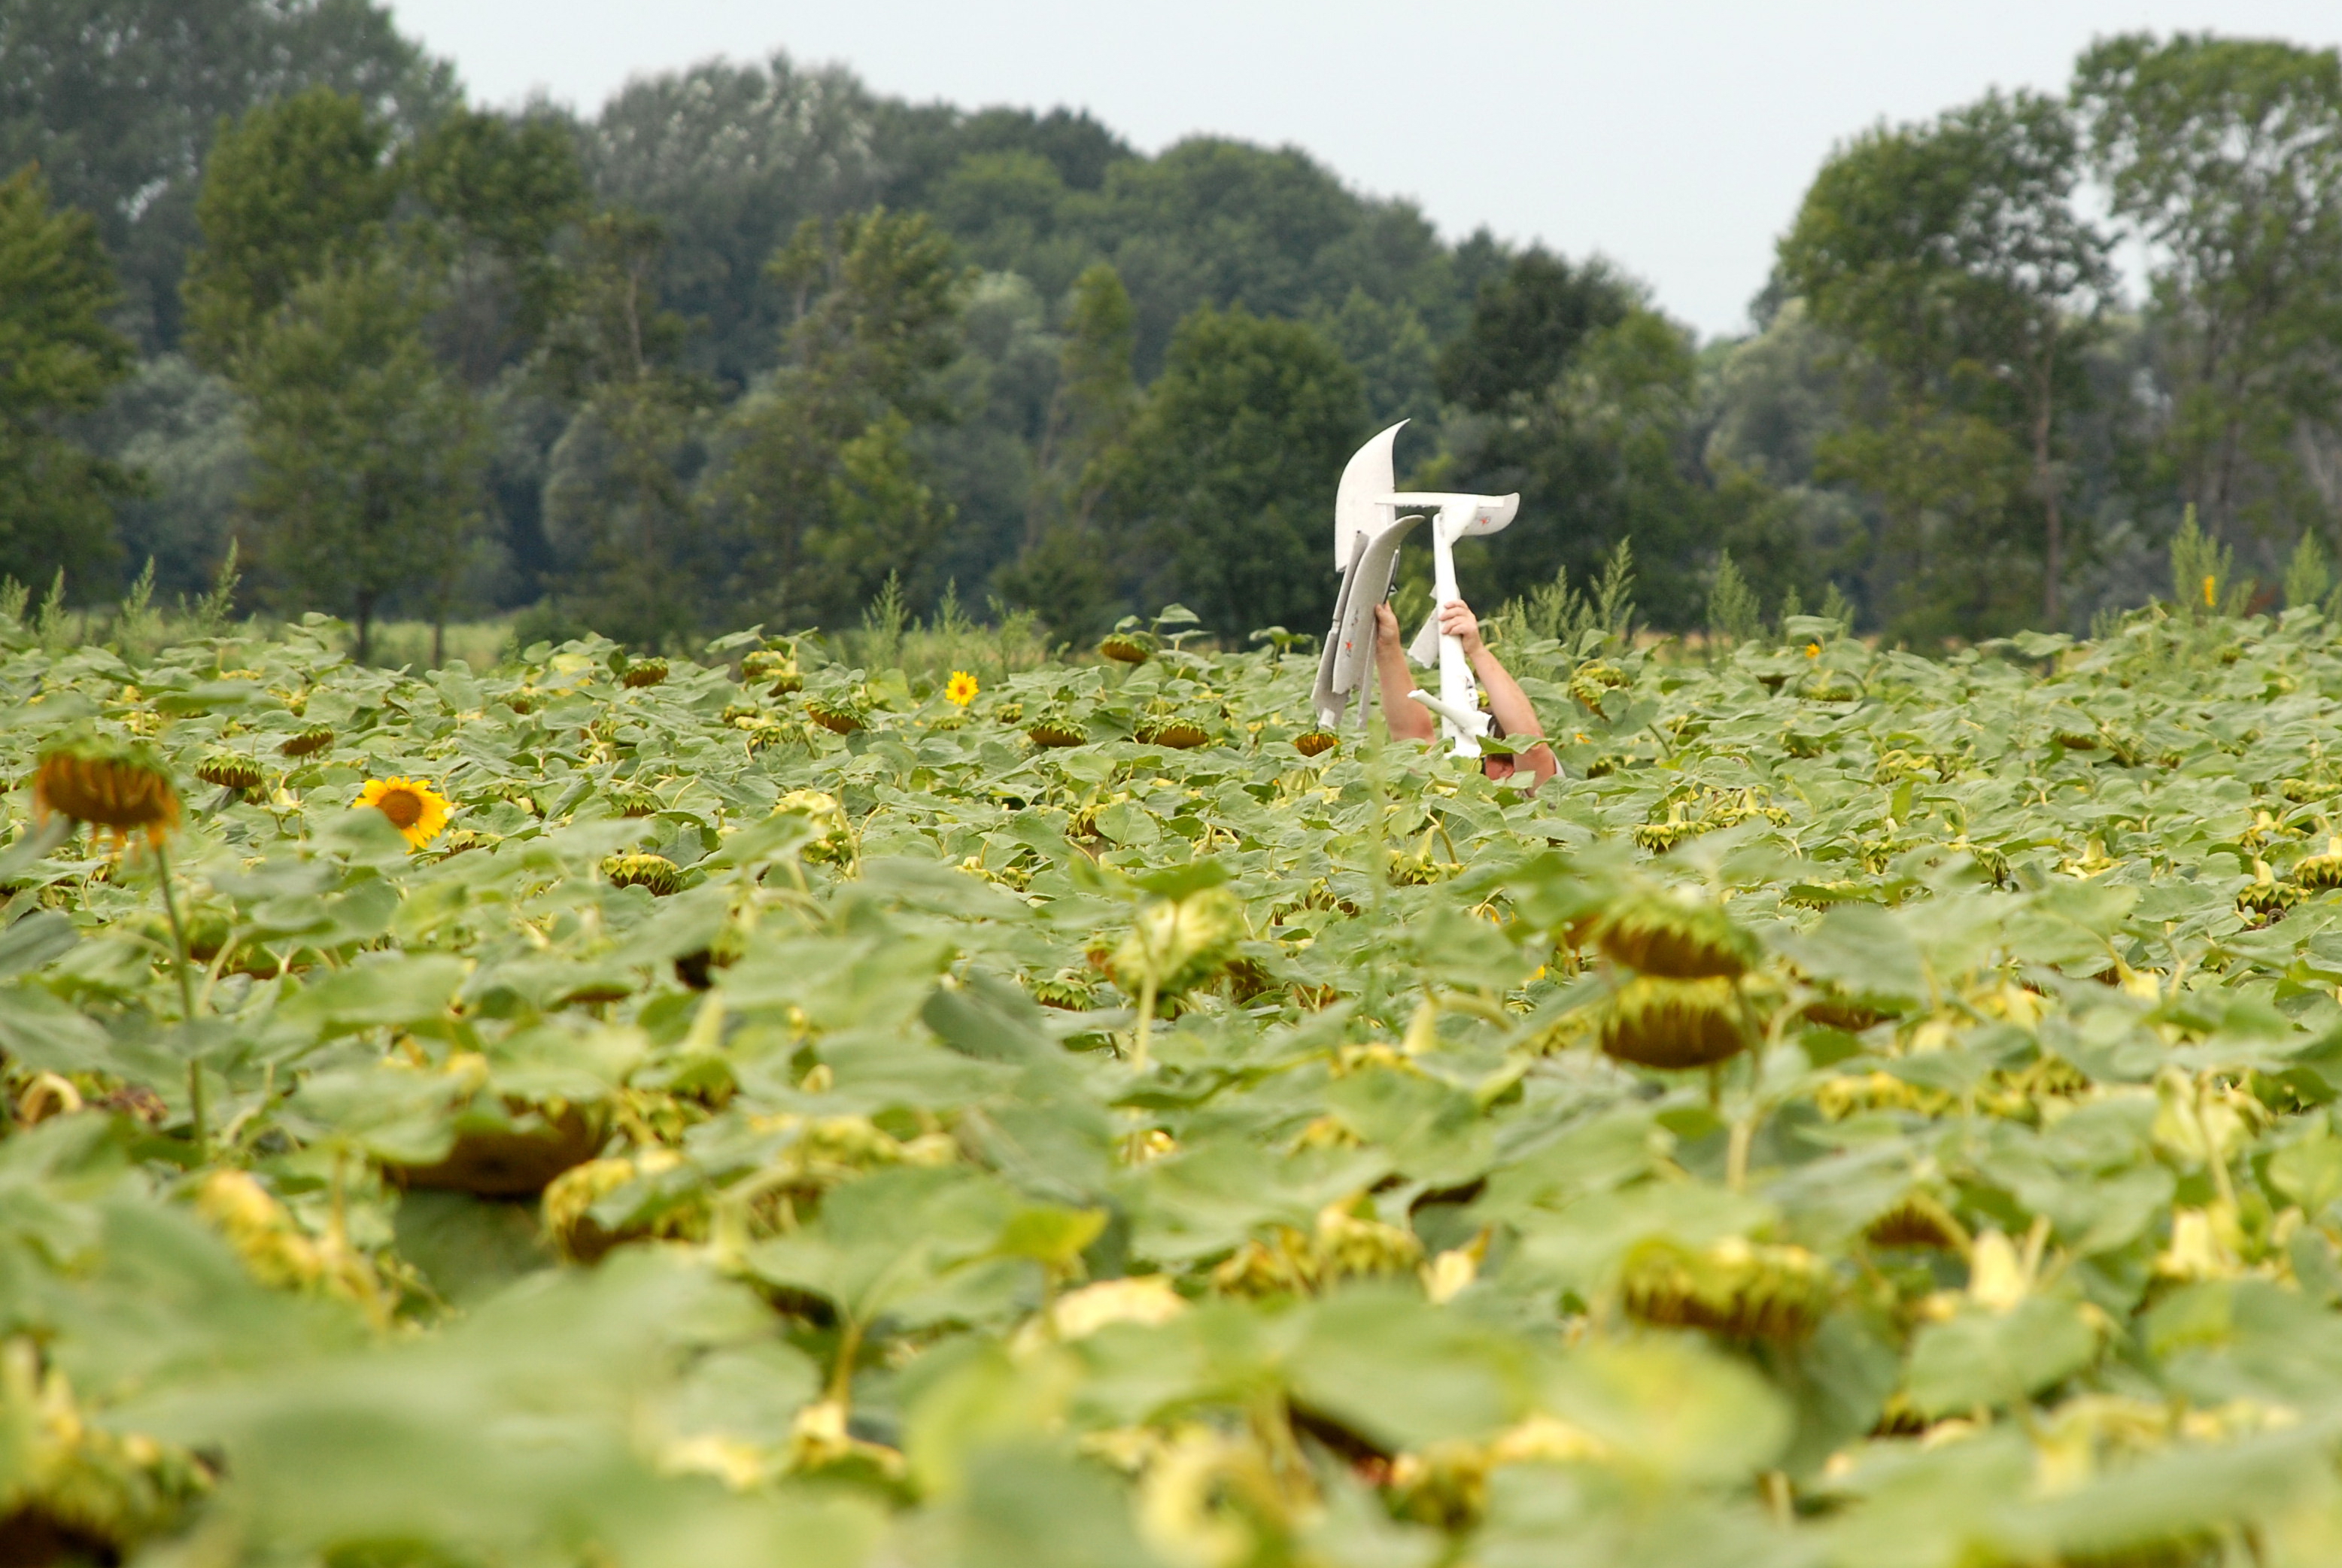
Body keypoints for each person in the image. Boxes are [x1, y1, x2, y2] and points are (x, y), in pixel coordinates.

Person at [1373, 598, 1559, 788]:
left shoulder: (1534, 796)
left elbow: (1530, 745)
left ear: (1505, 768)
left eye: (1479, 758)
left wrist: (1477, 650)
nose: (1465, 764)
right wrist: (1387, 648)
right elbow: (1414, 740)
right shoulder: (1450, 788)